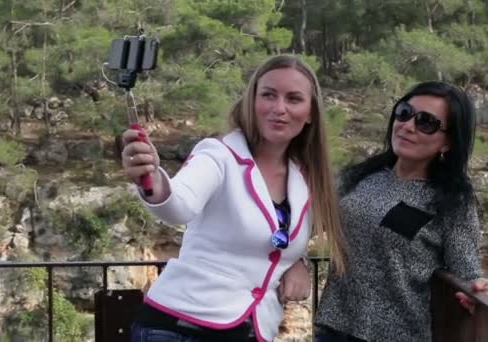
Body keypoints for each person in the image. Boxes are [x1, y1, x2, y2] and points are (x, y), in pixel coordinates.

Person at [120, 55, 347, 342]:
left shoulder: (307, 179)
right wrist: (151, 179)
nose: (279, 109)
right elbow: (179, 205)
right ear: (252, 102)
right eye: (268, 95)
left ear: (311, 112)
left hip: (251, 332)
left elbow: (277, 238)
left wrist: (297, 260)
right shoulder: (218, 155)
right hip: (178, 328)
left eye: (293, 99)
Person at [311, 81, 488, 342]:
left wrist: (482, 288)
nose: (408, 126)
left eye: (426, 122)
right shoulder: (362, 176)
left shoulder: (451, 201)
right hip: (334, 327)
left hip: (396, 335)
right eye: (404, 112)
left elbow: (467, 269)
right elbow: (311, 219)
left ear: (447, 143)